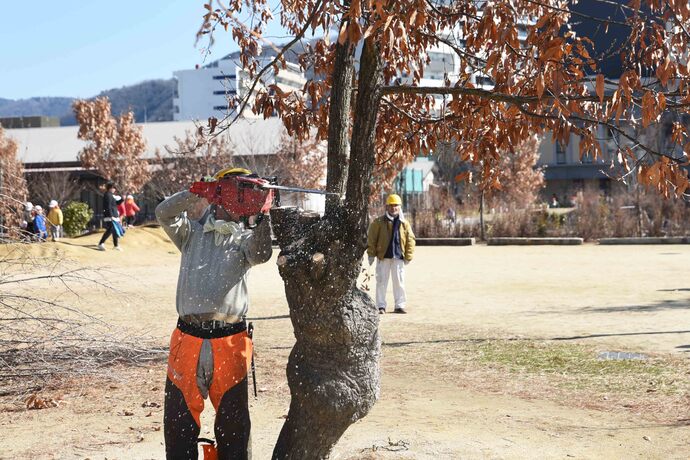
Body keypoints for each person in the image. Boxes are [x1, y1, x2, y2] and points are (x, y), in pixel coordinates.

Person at [156, 167, 272, 459]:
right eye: (234, 190)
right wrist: (198, 191)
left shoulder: (247, 237)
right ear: (220, 194)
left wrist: (264, 216)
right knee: (178, 423)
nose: (239, 199)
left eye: (245, 193)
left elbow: (262, 254)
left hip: (230, 342)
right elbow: (163, 212)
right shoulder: (191, 232)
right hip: (188, 339)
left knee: (234, 428)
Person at [367, 193, 416, 314]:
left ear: (400, 207)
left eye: (396, 205)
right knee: (381, 282)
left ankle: (399, 305)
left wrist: (409, 256)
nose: (394, 208)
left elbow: (411, 239)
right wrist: (371, 254)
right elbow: (372, 238)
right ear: (387, 207)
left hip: (399, 257)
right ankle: (380, 306)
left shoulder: (405, 223)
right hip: (383, 257)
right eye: (391, 205)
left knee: (399, 282)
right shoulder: (378, 222)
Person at [97, 182, 123, 251]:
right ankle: (101, 243)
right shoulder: (108, 195)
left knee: (114, 230)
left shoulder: (111, 195)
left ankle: (116, 245)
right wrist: (111, 215)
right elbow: (108, 206)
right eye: (114, 188)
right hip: (110, 215)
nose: (115, 189)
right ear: (111, 188)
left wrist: (122, 198)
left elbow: (116, 203)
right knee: (111, 229)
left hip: (113, 215)